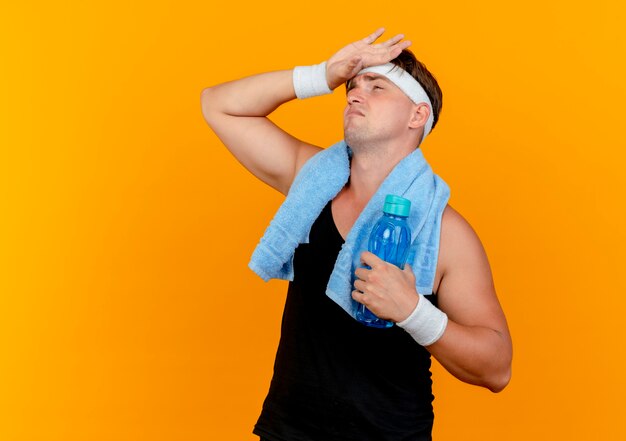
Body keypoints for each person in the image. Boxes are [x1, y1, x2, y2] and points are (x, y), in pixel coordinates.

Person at [201, 27, 512, 441]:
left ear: (417, 115)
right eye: (351, 86)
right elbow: (219, 105)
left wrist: (413, 311)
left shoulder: (447, 233)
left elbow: (497, 367)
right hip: (288, 431)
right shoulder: (311, 179)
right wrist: (322, 75)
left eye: (376, 86)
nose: (352, 94)